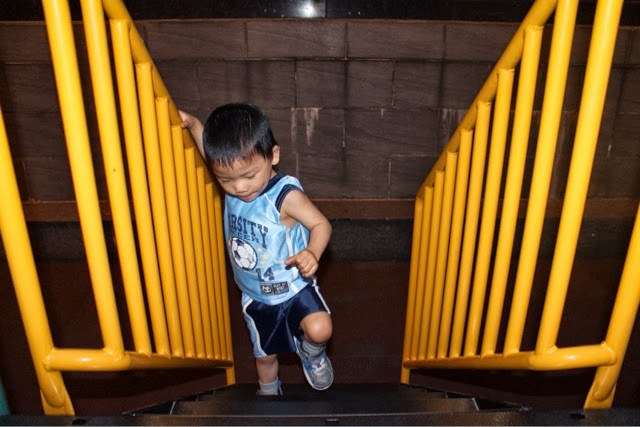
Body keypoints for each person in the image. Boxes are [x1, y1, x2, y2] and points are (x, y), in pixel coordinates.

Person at [180, 103, 334, 395]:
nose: (239, 187)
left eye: (249, 176)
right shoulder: (235, 178)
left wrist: (312, 252)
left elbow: (321, 224)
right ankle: (268, 394)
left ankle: (312, 353)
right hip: (256, 295)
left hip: (294, 285)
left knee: (320, 329)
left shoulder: (285, 197)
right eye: (226, 180)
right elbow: (209, 152)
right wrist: (193, 123)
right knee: (264, 357)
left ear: (273, 155)